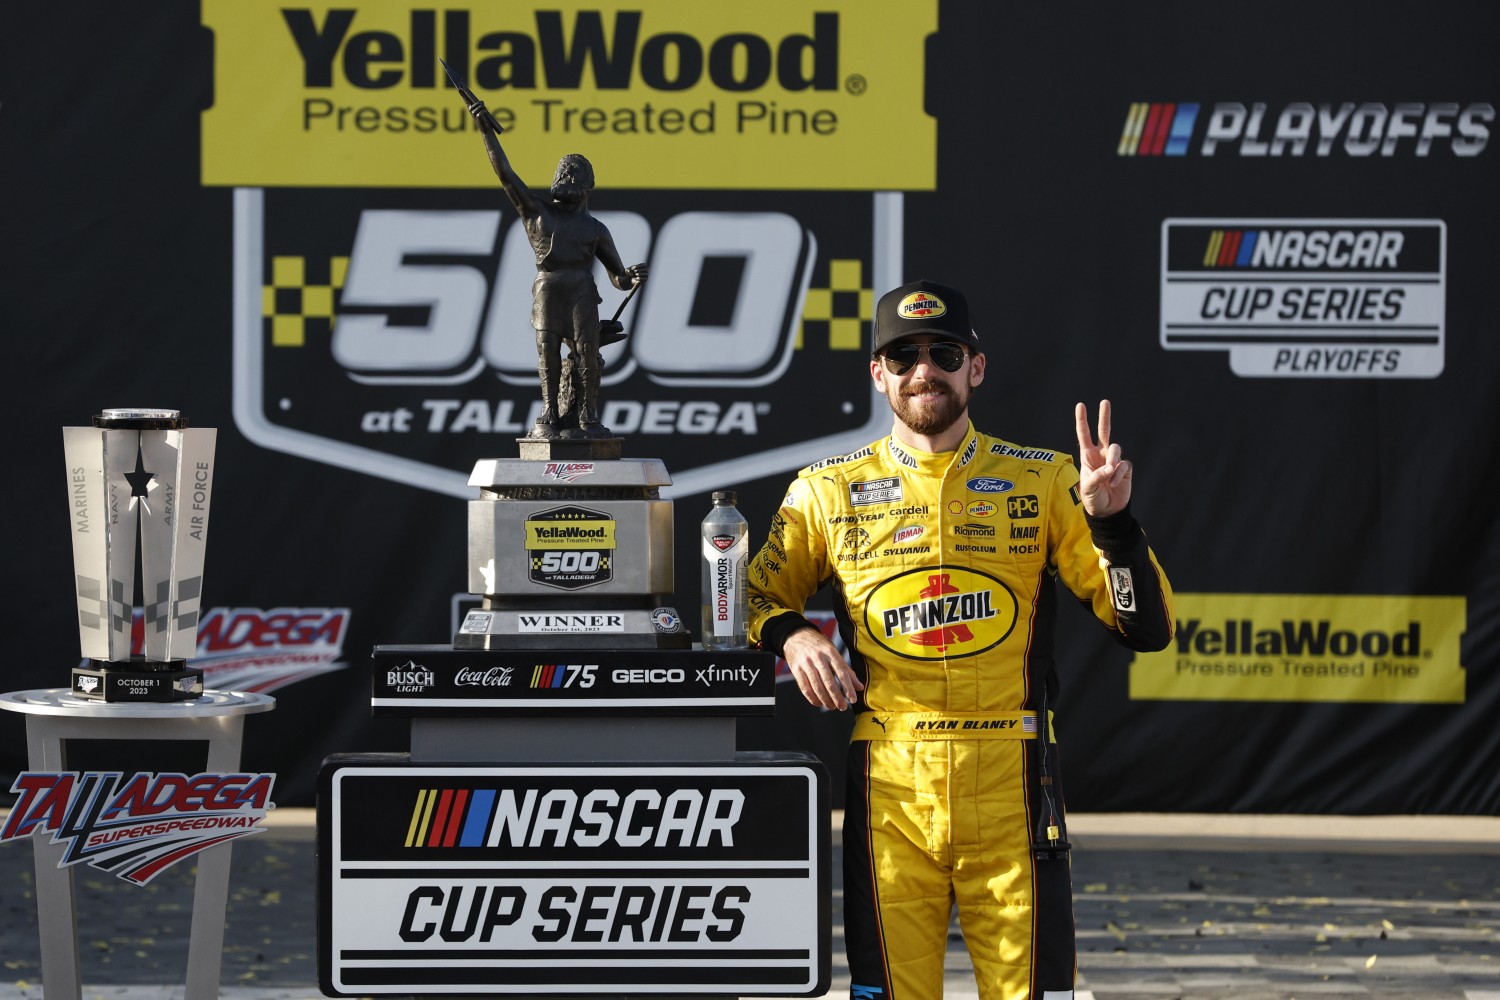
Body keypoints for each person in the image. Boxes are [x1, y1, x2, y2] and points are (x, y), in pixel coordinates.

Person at [746, 278, 1174, 1000]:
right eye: (902, 354)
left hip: (1013, 775)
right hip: (890, 782)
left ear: (976, 367)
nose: (923, 370)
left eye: (943, 352)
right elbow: (750, 599)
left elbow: (1146, 627)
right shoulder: (826, 491)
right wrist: (792, 635)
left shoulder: (1043, 481)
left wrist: (1114, 526)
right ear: (877, 374)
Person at [467, 100, 646, 439]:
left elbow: (618, 277)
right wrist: (485, 130)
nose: (565, 176)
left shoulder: (596, 229)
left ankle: (587, 414)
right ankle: (550, 409)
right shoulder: (537, 213)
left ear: (588, 184)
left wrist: (631, 278)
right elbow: (505, 174)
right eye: (561, 171)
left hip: (581, 289)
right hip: (548, 287)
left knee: (587, 353)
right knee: (547, 349)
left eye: (574, 172)